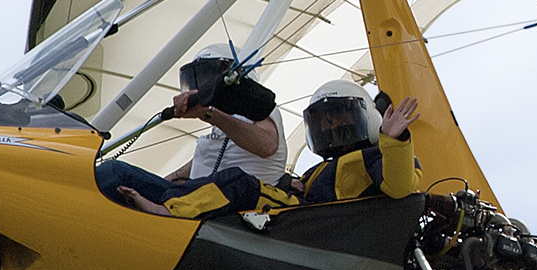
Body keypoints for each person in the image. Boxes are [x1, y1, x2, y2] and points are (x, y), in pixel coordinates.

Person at [117, 81, 420, 219]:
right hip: (305, 215)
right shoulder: (321, 170)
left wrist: (394, 140)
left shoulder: (381, 154)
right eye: (323, 122)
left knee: (239, 182)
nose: (330, 128)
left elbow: (399, 186)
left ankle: (169, 212)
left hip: (311, 221)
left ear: (368, 117)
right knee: (233, 182)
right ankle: (167, 200)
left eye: (339, 118)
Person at [95, 43, 288, 206]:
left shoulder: (261, 110)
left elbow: (267, 145)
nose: (202, 87)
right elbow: (207, 159)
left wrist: (208, 113)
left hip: (223, 209)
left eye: (208, 79)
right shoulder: (223, 124)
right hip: (196, 200)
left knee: (114, 172)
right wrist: (168, 180)